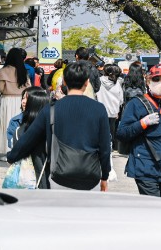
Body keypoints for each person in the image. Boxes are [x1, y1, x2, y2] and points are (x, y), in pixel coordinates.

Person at [7, 61, 111, 190]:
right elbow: (105, 147)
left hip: (59, 176)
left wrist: (12, 156)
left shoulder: (50, 109)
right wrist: (105, 176)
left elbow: (29, 138)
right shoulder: (99, 109)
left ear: (64, 83)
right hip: (91, 176)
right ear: (86, 82)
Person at [117, 64, 161, 198]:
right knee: (154, 211)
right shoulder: (135, 104)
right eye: (156, 79)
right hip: (145, 167)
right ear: (148, 81)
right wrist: (142, 123)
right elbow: (122, 133)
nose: (160, 83)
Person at [6, 86, 50, 188]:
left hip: (34, 178)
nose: (23, 102)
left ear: (35, 103)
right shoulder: (16, 122)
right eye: (23, 98)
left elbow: (14, 150)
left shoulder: (23, 129)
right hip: (38, 178)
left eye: (27, 99)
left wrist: (10, 156)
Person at [0, 47, 31, 157]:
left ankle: (5, 149)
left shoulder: (3, 71)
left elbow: (1, 88)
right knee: (19, 124)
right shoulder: (23, 71)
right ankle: (18, 148)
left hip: (7, 100)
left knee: (6, 124)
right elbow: (29, 87)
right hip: (20, 100)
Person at [97, 64, 124, 144]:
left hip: (100, 110)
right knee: (111, 130)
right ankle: (110, 145)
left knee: (101, 130)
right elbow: (121, 99)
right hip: (113, 111)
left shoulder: (99, 80)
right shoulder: (117, 83)